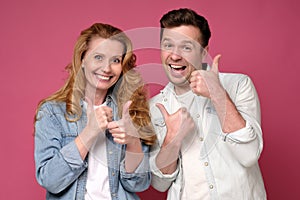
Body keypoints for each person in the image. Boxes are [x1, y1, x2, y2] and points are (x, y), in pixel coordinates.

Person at [149, 8, 267, 199]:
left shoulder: (238, 85)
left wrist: (218, 95)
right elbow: (160, 183)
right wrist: (172, 138)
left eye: (186, 47)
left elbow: (249, 155)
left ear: (204, 53)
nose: (175, 55)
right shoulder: (154, 107)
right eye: (168, 45)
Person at [34, 23, 156, 200]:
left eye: (115, 60)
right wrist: (89, 132)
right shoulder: (52, 113)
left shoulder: (131, 110)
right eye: (98, 57)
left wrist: (133, 141)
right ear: (82, 59)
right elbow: (50, 180)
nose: (107, 68)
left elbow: (138, 184)